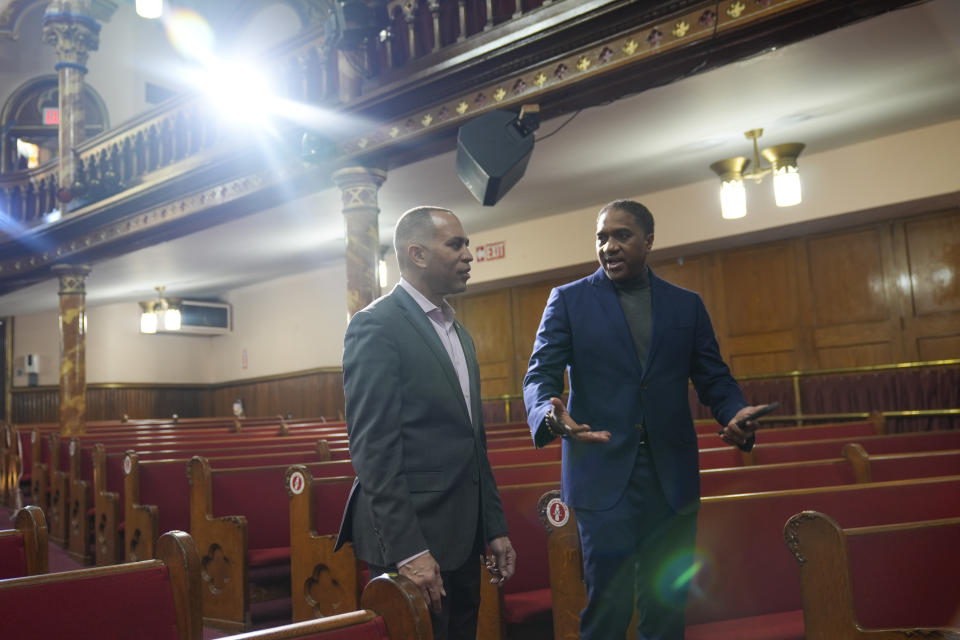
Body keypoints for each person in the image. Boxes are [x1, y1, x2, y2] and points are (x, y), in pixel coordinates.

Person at [522, 199, 767, 640]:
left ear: (649, 241)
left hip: (670, 479)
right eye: (602, 237)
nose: (609, 246)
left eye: (622, 235)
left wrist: (736, 413)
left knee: (667, 611)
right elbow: (539, 374)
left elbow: (715, 378)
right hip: (602, 476)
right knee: (608, 610)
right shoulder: (569, 300)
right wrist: (549, 414)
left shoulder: (685, 306)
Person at [335, 206, 517, 640]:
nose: (469, 254)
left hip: (463, 534)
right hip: (412, 541)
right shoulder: (376, 326)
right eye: (455, 244)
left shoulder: (459, 332)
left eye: (467, 243)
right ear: (417, 254)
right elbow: (374, 452)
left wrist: (493, 527)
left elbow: (475, 443)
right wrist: (409, 549)